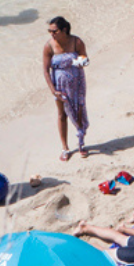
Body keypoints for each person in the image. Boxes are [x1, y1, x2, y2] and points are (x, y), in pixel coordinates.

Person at [42, 15, 90, 160]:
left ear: (64, 30)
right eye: (49, 31)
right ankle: (65, 147)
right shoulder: (49, 46)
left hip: (77, 82)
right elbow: (46, 70)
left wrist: (77, 62)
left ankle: (81, 143)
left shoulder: (76, 42)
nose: (52, 34)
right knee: (62, 114)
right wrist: (53, 90)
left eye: (54, 31)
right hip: (59, 85)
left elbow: (85, 59)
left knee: (79, 110)